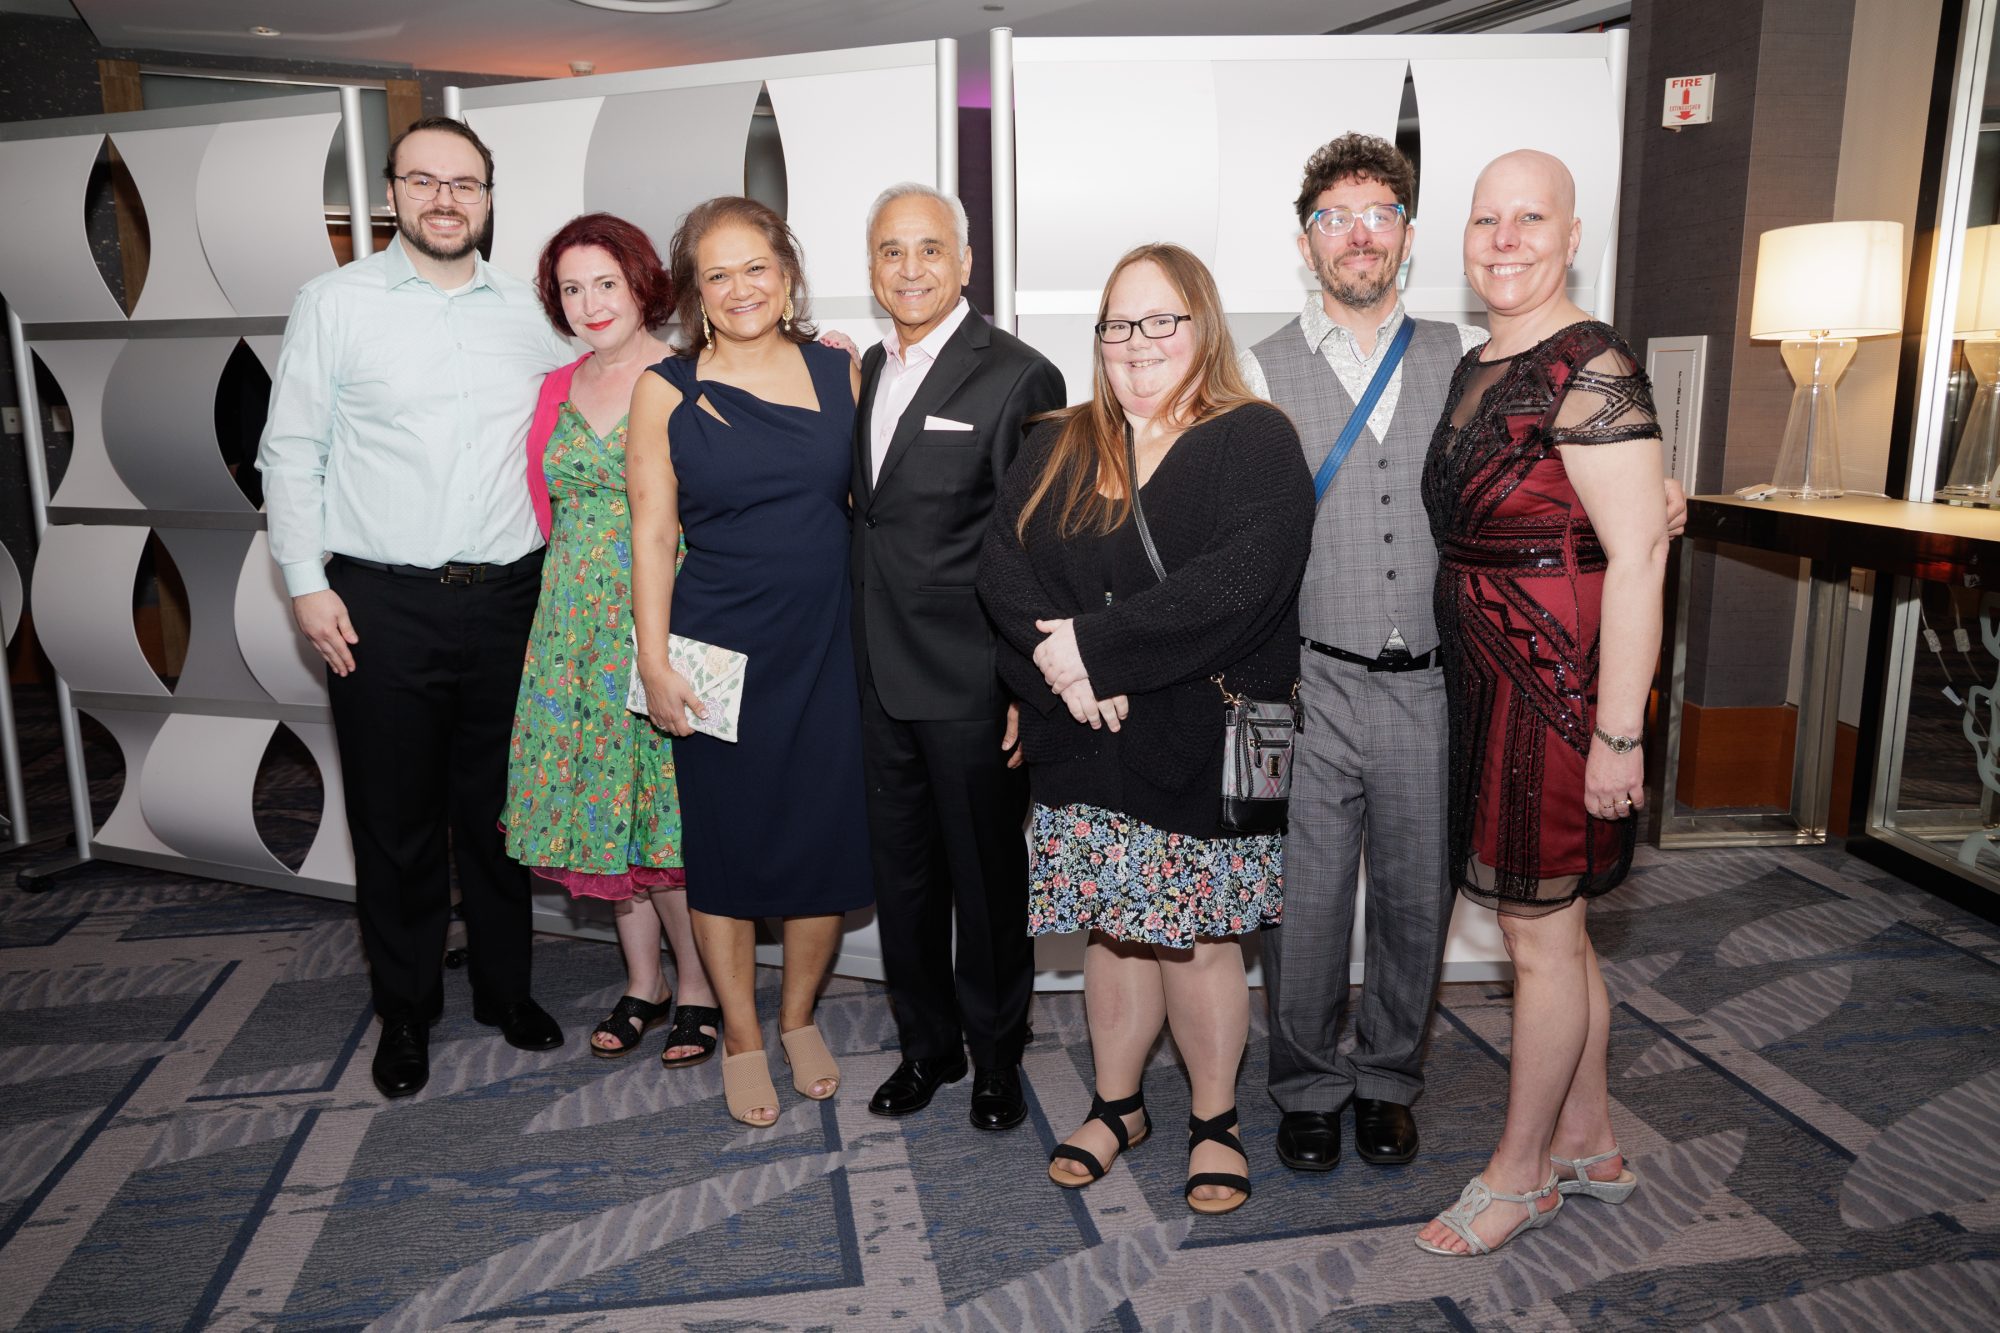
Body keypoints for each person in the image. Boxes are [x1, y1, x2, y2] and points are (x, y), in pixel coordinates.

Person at [1239, 134, 1687, 1174]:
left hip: (1442, 685)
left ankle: (1388, 1079)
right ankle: (1307, 1085)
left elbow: (1576, 473)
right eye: (1334, 218)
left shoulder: (1471, 353)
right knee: (1302, 903)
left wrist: (1659, 500)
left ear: (1407, 236)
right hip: (1307, 681)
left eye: (1379, 214)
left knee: (1416, 899)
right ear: (1306, 243)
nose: (1357, 234)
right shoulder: (1254, 368)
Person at [978, 244, 1313, 1215]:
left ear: (1202, 324)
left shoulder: (1253, 437)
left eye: (1161, 319)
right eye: (1118, 323)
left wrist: (1094, 650)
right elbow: (1000, 567)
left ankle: (1215, 1121)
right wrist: (1062, 673)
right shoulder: (1060, 442)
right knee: (1113, 932)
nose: (1138, 341)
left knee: (1197, 939)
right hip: (1083, 735)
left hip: (1202, 739)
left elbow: (1242, 581)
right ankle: (1116, 1105)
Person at [258, 115, 573, 1100]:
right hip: (378, 604)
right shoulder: (334, 302)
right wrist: (304, 581)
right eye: (424, 181)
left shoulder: (531, 309)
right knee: (394, 819)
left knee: (501, 813)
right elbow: (290, 450)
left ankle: (505, 988)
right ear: (391, 193)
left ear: (488, 198)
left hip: (513, 599)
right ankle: (405, 1008)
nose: (445, 199)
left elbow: (623, 372)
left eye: (465, 183)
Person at [1414, 149, 1667, 1257]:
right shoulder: (1480, 360)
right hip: (1488, 673)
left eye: (1530, 218)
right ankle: (1589, 1137)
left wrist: (1618, 732)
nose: (1504, 239)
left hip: (1556, 687)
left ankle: (1519, 1177)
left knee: (1539, 938)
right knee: (1550, 925)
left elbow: (1638, 557)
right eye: (1486, 219)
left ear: (1571, 237)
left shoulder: (1591, 364)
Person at [626, 196, 872, 1128]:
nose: (740, 289)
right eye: (717, 274)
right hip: (716, 653)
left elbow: (875, 510)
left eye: (756, 267)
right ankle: (739, 1033)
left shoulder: (840, 369)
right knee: (725, 848)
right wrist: (654, 661)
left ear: (789, 273)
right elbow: (653, 536)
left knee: (821, 839)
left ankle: (799, 1017)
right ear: (695, 290)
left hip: (828, 645)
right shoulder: (666, 389)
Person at [851, 183, 1066, 1132]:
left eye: (929, 249)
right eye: (891, 251)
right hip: (874, 675)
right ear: (872, 266)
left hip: (973, 680)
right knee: (901, 878)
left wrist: (1025, 680)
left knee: (985, 884)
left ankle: (996, 1055)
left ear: (966, 262)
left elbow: (1039, 545)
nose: (910, 269)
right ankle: (927, 1046)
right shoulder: (868, 366)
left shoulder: (1020, 376)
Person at [502, 212, 720, 1066]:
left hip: (661, 617)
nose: (590, 303)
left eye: (606, 283)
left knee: (667, 815)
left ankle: (697, 985)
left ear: (642, 286)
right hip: (571, 630)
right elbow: (545, 507)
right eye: (571, 288)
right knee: (605, 813)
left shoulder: (691, 375)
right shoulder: (555, 387)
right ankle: (643, 980)